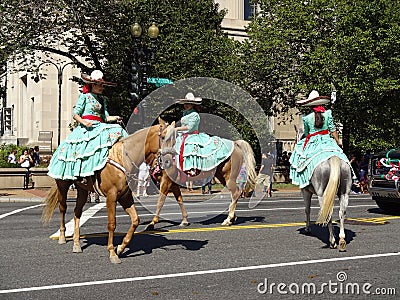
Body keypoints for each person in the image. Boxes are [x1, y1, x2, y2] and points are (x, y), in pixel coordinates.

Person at [47, 70, 128, 183]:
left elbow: (105, 118)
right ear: (92, 85)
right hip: (87, 128)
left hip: (100, 126)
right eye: (99, 85)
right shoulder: (84, 97)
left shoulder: (102, 99)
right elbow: (75, 114)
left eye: (102, 85)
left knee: (119, 130)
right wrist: (84, 122)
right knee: (85, 151)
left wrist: (116, 118)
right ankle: (82, 174)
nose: (101, 87)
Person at [289, 90, 353, 188]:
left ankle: (307, 183)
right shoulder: (328, 114)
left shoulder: (307, 118)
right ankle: (352, 175)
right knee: (341, 155)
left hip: (313, 142)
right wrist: (338, 141)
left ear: (310, 105)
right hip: (328, 141)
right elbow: (332, 129)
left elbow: (307, 133)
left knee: (300, 158)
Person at [173, 93, 234, 176]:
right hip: (183, 135)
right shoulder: (185, 113)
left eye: (189, 103)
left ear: (193, 104)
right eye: (185, 103)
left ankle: (193, 168)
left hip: (192, 135)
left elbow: (189, 127)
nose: (186, 105)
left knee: (191, 149)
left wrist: (177, 129)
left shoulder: (195, 115)